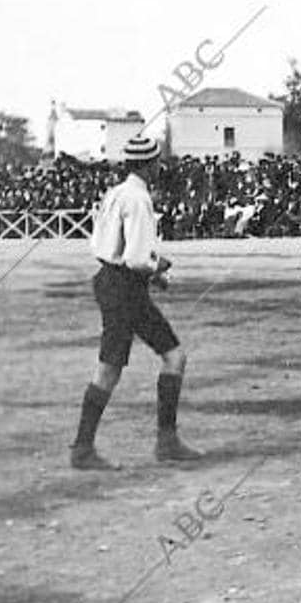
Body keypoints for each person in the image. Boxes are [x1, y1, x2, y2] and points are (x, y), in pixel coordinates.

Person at [70, 135, 202, 470]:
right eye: (157, 161)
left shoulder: (115, 193)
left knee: (160, 358)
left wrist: (149, 268)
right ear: (149, 165)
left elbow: (109, 246)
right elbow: (136, 258)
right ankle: (91, 448)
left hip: (111, 280)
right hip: (125, 287)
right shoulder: (140, 198)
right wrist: (158, 266)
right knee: (125, 365)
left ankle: (161, 441)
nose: (160, 166)